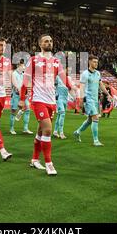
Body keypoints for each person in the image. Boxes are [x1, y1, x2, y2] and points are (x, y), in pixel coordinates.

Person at [19, 34, 71, 176]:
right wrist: (22, 99)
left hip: (51, 101)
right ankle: (49, 164)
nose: (49, 43)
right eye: (46, 41)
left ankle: (34, 160)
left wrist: (74, 89)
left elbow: (63, 78)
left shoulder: (56, 61)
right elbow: (25, 80)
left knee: (41, 132)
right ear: (40, 44)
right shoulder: (33, 60)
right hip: (38, 100)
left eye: (51, 41)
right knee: (48, 130)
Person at [73, 56, 111, 146]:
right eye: (94, 62)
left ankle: (77, 132)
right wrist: (81, 100)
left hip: (95, 99)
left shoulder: (98, 73)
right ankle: (96, 141)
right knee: (95, 118)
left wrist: (108, 94)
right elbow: (81, 87)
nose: (96, 64)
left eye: (97, 62)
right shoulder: (85, 74)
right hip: (88, 99)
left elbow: (101, 85)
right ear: (89, 62)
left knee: (90, 120)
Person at [9, 59, 33, 135]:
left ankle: (25, 128)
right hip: (16, 95)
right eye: (23, 65)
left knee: (28, 109)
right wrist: (21, 92)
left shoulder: (23, 74)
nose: (24, 67)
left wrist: (27, 92)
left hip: (23, 95)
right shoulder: (14, 74)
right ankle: (11, 128)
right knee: (13, 111)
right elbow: (15, 84)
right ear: (19, 65)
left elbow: (25, 84)